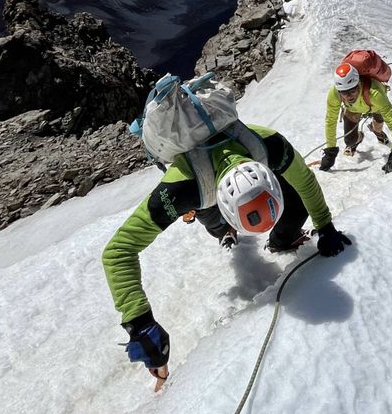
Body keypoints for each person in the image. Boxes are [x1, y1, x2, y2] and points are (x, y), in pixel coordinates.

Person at [103, 124, 351, 383]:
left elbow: (305, 180)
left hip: (228, 173)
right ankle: (226, 229)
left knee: (297, 203)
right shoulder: (179, 190)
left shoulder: (269, 145)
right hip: (200, 186)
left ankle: (281, 239)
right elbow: (118, 251)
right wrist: (138, 320)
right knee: (217, 224)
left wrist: (325, 225)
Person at [320, 62, 392, 173]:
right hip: (353, 110)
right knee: (349, 141)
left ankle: (377, 131)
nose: (349, 96)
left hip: (375, 107)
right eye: (345, 93)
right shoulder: (334, 93)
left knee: (377, 128)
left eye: (353, 91)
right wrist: (330, 151)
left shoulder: (375, 94)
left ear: (358, 85)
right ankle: (360, 137)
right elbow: (330, 120)